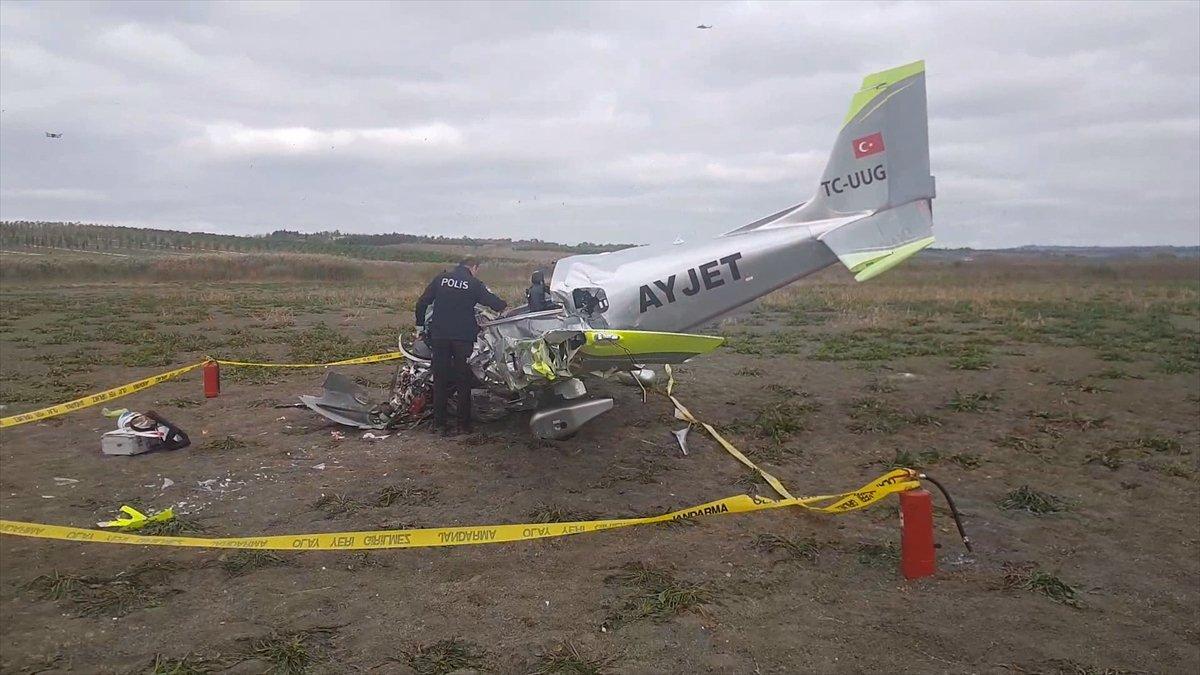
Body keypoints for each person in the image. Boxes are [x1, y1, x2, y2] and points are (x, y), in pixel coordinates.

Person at [415, 257, 507, 435]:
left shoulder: (441, 279)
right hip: (463, 339)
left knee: (440, 379)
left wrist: (420, 326)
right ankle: (463, 426)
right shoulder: (473, 283)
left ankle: (439, 425)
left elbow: (422, 303)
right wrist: (504, 308)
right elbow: (495, 303)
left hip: (439, 336)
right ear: (474, 267)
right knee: (463, 380)